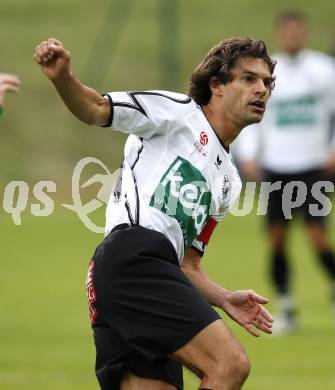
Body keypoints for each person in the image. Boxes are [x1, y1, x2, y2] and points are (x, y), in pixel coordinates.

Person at [34, 36, 275, 390]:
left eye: (267, 83)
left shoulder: (229, 182)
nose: (262, 90)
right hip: (132, 258)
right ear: (217, 85)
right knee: (229, 365)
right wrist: (63, 78)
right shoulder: (178, 112)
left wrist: (224, 298)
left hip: (144, 273)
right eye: (249, 79)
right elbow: (97, 109)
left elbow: (188, 265)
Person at [235, 11, 335, 335]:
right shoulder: (265, 73)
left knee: (317, 237)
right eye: (287, 31)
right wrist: (249, 154)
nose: (293, 36)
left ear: (304, 34)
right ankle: (286, 305)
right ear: (280, 34)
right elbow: (250, 113)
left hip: (313, 166)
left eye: (298, 31)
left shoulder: (323, 69)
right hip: (277, 167)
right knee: (277, 239)